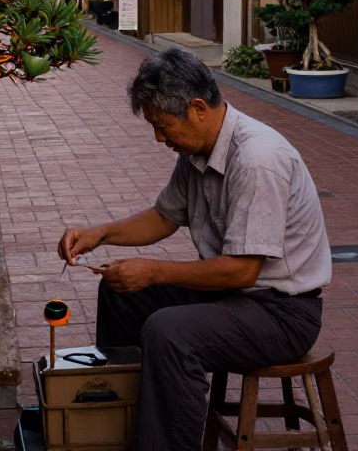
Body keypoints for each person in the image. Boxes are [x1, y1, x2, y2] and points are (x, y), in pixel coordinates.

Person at [57, 48, 331, 450]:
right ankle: (119, 419)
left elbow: (242, 272)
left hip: (283, 313)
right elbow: (164, 217)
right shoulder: (198, 149)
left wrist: (154, 270)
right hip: (239, 296)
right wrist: (98, 234)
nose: (159, 138)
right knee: (122, 295)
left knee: (169, 332)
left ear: (198, 108)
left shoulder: (257, 160)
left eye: (164, 126)